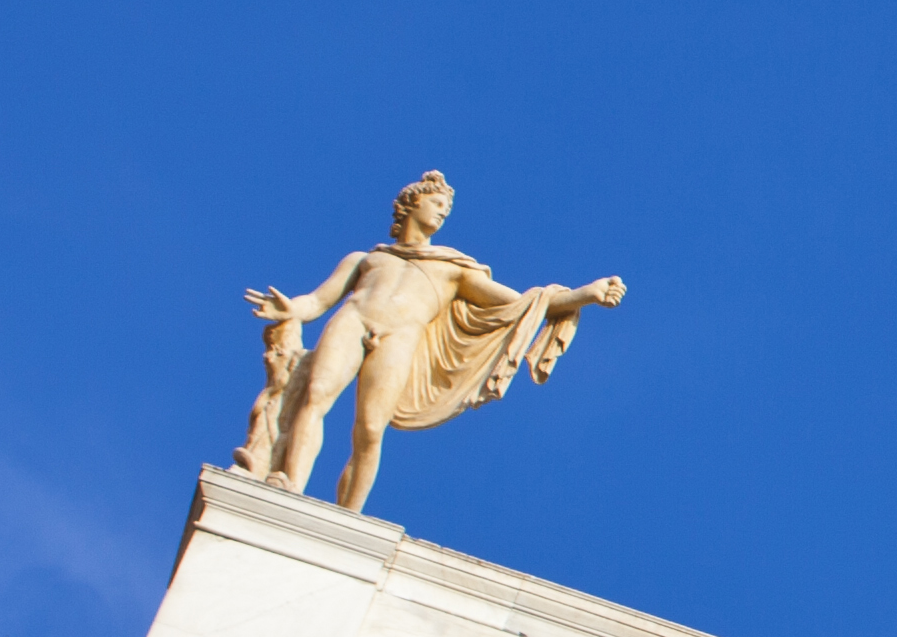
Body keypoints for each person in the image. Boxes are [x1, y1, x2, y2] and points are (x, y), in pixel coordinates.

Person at [235, 171, 629, 512]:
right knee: (315, 397)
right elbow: (318, 300)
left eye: (446, 208)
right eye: (436, 203)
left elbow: (525, 303)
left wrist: (584, 294)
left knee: (371, 428)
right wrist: (290, 309)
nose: (442, 211)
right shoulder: (367, 259)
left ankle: (347, 516)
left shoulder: (454, 270)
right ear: (411, 204)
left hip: (401, 335)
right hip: (353, 319)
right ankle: (289, 481)